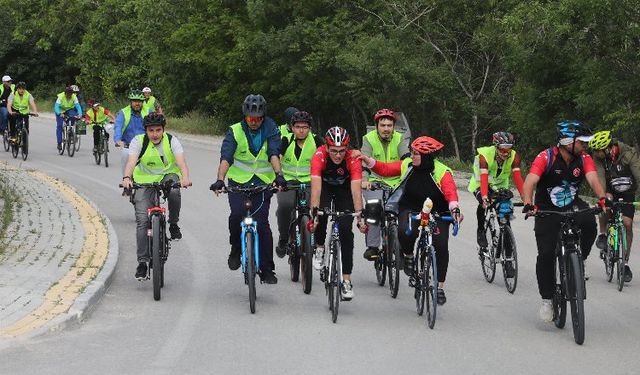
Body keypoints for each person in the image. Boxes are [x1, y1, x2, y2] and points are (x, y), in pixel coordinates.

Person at [360, 136, 462, 305]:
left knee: (442, 246)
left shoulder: (442, 171)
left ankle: (439, 287)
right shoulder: (407, 164)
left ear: (427, 156)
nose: (412, 156)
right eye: (412, 153)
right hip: (410, 208)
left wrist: (455, 209)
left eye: (416, 154)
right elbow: (385, 169)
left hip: (437, 211)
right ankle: (408, 255)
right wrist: (368, 160)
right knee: (405, 232)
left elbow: (451, 193)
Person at [521, 121, 606, 322]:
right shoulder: (546, 157)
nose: (585, 146)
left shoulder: (584, 158)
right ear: (568, 142)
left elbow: (594, 179)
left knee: (589, 222)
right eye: (582, 142)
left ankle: (579, 260)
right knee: (546, 254)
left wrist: (602, 198)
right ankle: (547, 300)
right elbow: (530, 181)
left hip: (572, 203)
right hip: (546, 208)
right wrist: (528, 203)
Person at [210, 94, 285, 284]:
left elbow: (274, 153)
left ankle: (267, 269)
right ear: (245, 116)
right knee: (236, 216)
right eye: (250, 119)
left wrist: (279, 175)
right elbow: (226, 156)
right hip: (238, 183)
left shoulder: (271, 128)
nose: (254, 122)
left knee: (263, 225)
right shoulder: (235, 131)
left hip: (262, 183)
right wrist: (220, 179)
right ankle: (236, 249)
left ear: (263, 116)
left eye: (258, 118)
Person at [121, 113, 191, 280]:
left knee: (174, 192)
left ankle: (173, 224)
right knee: (142, 221)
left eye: (158, 130)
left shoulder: (172, 140)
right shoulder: (138, 141)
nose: (154, 134)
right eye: (151, 130)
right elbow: (131, 162)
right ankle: (143, 263)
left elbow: (181, 162)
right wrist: (126, 178)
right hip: (144, 180)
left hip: (168, 176)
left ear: (163, 129)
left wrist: (185, 178)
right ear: (145, 130)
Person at [307, 126, 367, 300]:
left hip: (344, 189)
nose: (338, 155)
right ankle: (319, 247)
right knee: (321, 216)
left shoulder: (353, 158)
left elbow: (356, 190)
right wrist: (314, 216)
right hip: (324, 188)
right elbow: (316, 189)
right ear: (326, 147)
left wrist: (359, 217)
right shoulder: (319, 156)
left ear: (347, 148)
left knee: (346, 232)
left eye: (342, 151)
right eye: (333, 150)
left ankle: (346, 280)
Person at [468, 132, 525, 271]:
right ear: (496, 146)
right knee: (483, 201)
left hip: (500, 186)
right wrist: (485, 197)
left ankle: (509, 260)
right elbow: (483, 178)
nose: (506, 153)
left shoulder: (514, 156)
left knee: (505, 218)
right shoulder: (484, 156)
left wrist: (525, 197)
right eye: (503, 150)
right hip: (481, 182)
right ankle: (481, 230)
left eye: (509, 149)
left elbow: (517, 177)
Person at [589, 130, 640, 282]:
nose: (596, 154)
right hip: (610, 188)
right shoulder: (599, 158)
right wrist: (603, 197)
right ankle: (603, 234)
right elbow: (599, 176)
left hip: (628, 191)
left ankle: (624, 264)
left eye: (598, 151)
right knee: (605, 203)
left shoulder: (629, 154)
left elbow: (638, 175)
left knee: (627, 224)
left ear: (607, 148)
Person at [361, 108, 410, 261]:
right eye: (383, 125)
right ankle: (373, 246)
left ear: (394, 126)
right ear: (377, 126)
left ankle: (402, 244)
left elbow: (406, 159)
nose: (386, 129)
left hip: (396, 181)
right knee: (373, 207)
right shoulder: (368, 138)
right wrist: (364, 180)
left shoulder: (400, 138)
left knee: (404, 209)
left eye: (389, 125)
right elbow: (364, 163)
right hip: (374, 181)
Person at [275, 111, 323, 257]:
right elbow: (277, 157)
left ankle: (312, 240)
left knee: (314, 209)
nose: (301, 130)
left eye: (305, 127)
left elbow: (327, 158)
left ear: (309, 128)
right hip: (288, 181)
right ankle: (283, 237)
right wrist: (278, 177)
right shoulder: (286, 140)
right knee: (285, 206)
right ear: (292, 127)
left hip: (309, 181)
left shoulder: (316, 141)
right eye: (298, 127)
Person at [114, 90, 151, 173]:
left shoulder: (148, 111)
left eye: (139, 101)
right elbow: (118, 127)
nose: (137, 104)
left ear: (143, 102)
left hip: (146, 146)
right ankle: (126, 180)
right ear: (130, 102)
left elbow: (156, 125)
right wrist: (118, 140)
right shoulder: (123, 112)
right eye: (134, 101)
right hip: (129, 146)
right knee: (125, 157)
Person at [54, 85, 83, 151]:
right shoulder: (61, 96)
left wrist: (80, 114)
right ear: (65, 93)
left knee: (73, 118)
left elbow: (78, 106)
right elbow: (56, 106)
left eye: (71, 94)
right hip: (60, 111)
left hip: (69, 110)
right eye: (68, 94)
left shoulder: (74, 96)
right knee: (59, 126)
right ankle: (59, 143)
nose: (69, 96)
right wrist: (59, 113)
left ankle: (70, 133)